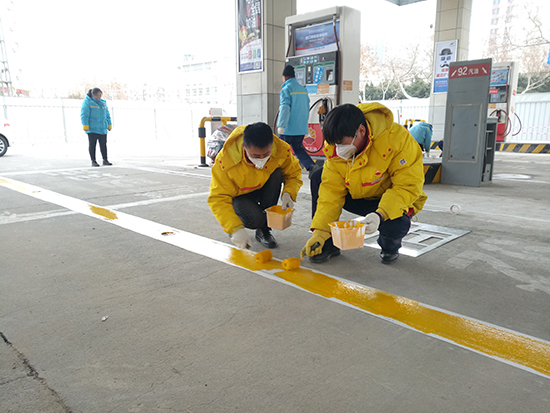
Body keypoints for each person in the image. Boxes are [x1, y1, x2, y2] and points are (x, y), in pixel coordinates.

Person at [301, 103, 427, 265]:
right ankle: (327, 243)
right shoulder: (335, 147)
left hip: (386, 200)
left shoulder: (397, 139)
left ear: (361, 131)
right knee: (319, 176)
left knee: (396, 224)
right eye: (335, 144)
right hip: (357, 194)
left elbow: (407, 186)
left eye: (341, 143)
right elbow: (330, 193)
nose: (338, 149)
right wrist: (320, 232)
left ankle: (390, 245)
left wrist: (380, 214)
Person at [208, 122, 303, 249]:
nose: (261, 159)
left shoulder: (280, 149)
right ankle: (238, 224)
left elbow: (294, 173)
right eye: (256, 155)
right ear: (244, 147)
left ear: (272, 145)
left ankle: (264, 230)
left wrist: (288, 193)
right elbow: (218, 198)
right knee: (255, 219)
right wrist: (234, 228)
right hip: (240, 196)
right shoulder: (226, 160)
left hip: (262, 187)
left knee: (277, 174)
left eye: (266, 154)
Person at [277, 65, 320, 178]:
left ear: (285, 77)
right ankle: (311, 166)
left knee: (281, 150)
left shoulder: (286, 90)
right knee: (297, 148)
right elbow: (306, 108)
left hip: (288, 128)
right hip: (300, 128)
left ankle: (281, 170)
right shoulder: (303, 90)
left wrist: (281, 125)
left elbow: (285, 108)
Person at [80, 88, 113, 167]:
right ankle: (93, 160)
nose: (99, 97)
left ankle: (105, 159)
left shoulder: (103, 103)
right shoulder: (87, 102)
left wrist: (109, 124)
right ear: (93, 95)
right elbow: (84, 115)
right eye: (97, 95)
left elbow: (107, 115)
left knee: (103, 144)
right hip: (92, 128)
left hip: (102, 128)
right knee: (92, 145)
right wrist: (85, 125)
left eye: (100, 95)